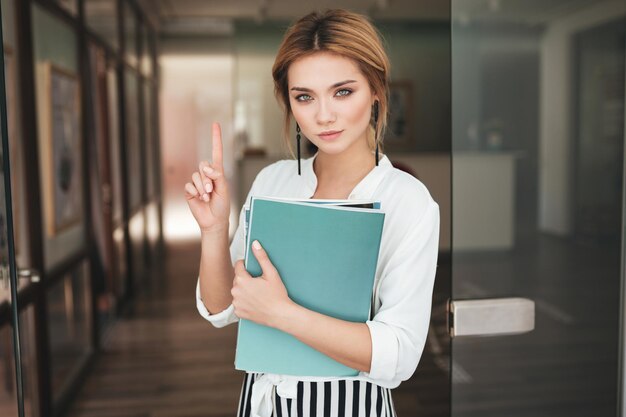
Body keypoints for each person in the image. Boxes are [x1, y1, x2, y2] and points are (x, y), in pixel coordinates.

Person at [184, 9, 440, 417]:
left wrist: (282, 314)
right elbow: (221, 309)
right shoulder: (274, 181)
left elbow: (399, 354)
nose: (323, 115)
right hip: (262, 403)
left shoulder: (407, 201)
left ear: (375, 90)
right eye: (304, 96)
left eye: (342, 92)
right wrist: (214, 229)